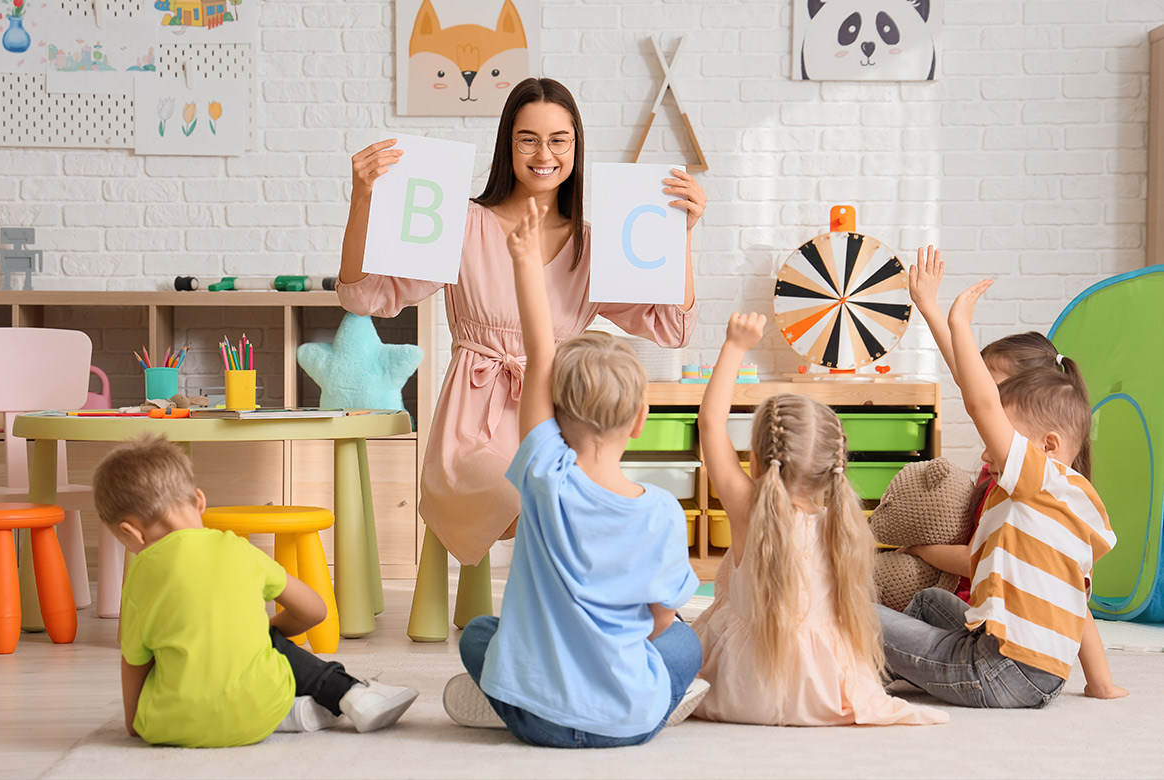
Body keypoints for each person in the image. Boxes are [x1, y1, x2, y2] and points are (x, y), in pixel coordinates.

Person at [337, 78, 706, 642]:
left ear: (577, 148)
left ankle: (615, 623)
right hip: (473, 428)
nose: (545, 155)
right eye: (528, 139)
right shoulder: (461, 224)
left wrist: (682, 234)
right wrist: (364, 199)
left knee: (597, 498)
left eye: (560, 140)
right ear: (507, 146)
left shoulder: (594, 241)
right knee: (537, 493)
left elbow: (672, 325)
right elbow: (364, 297)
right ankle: (582, 623)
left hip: (559, 424)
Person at [440, 198, 706, 747]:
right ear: (640, 421)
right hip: (625, 722)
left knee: (482, 635)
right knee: (684, 642)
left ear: (554, 415)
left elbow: (540, 354)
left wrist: (521, 262)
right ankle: (658, 700)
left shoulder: (542, 473)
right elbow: (657, 623)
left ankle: (505, 697)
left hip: (536, 718)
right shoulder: (661, 511)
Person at [690, 312, 947, 726]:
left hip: (742, 689)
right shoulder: (843, 524)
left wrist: (734, 346)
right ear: (833, 466)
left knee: (669, 639)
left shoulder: (746, 510)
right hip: (822, 692)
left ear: (756, 460)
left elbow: (710, 424)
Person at [877, 280, 1121, 707]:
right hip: (1038, 672)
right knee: (930, 603)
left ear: (1047, 444)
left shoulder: (1034, 479)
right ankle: (888, 668)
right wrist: (1100, 683)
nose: (987, 447)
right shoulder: (1067, 500)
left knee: (860, 618)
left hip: (999, 670)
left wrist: (958, 322)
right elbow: (1077, 606)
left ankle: (854, 671)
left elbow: (981, 404)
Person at [92, 434, 419, 747]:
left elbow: (134, 660)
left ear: (131, 533)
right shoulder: (239, 549)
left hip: (169, 726)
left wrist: (135, 722)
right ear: (199, 500)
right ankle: (320, 701)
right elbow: (315, 611)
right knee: (264, 647)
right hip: (259, 714)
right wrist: (263, 632)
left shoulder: (139, 575)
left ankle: (295, 712)